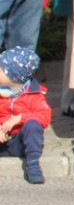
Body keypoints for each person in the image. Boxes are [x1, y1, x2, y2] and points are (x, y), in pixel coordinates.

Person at [0, 47, 50, 184]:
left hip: (21, 142)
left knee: (33, 125)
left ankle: (33, 164)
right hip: (2, 140)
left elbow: (44, 117)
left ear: (14, 76)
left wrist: (20, 117)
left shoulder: (34, 93)